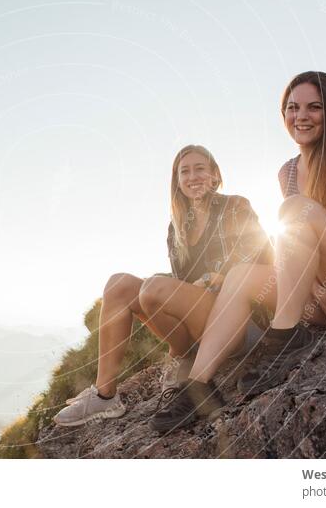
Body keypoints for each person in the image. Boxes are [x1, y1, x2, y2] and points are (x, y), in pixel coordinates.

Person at [149, 71, 326, 433]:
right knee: (241, 274)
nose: (301, 116)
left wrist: (323, 273)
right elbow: (295, 247)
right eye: (293, 108)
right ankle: (199, 385)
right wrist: (307, 283)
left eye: (314, 107)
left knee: (294, 211)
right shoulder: (287, 172)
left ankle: (285, 340)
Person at [53, 145, 272, 427]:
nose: (193, 176)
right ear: (177, 182)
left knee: (154, 289)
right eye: (185, 172)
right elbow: (181, 281)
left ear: (215, 176)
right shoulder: (177, 228)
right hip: (198, 324)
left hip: (240, 321)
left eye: (200, 169)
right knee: (119, 284)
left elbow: (256, 256)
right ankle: (105, 397)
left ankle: (192, 365)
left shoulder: (235, 206)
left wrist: (208, 280)